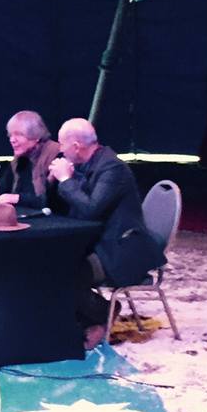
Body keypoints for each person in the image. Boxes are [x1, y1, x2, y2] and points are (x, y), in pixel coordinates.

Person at [48, 117, 166, 349]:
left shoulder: (112, 169)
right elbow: (68, 207)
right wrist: (54, 182)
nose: (60, 150)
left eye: (62, 144)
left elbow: (90, 209)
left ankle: (102, 314)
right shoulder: (84, 167)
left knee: (66, 272)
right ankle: (76, 318)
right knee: (48, 262)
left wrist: (66, 180)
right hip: (99, 243)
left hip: (121, 250)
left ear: (76, 147)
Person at [0, 110, 60, 209]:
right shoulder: (18, 160)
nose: (12, 140)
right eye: (10, 135)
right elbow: (4, 193)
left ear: (36, 136)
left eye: (18, 134)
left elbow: (53, 202)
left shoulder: (56, 156)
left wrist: (16, 198)